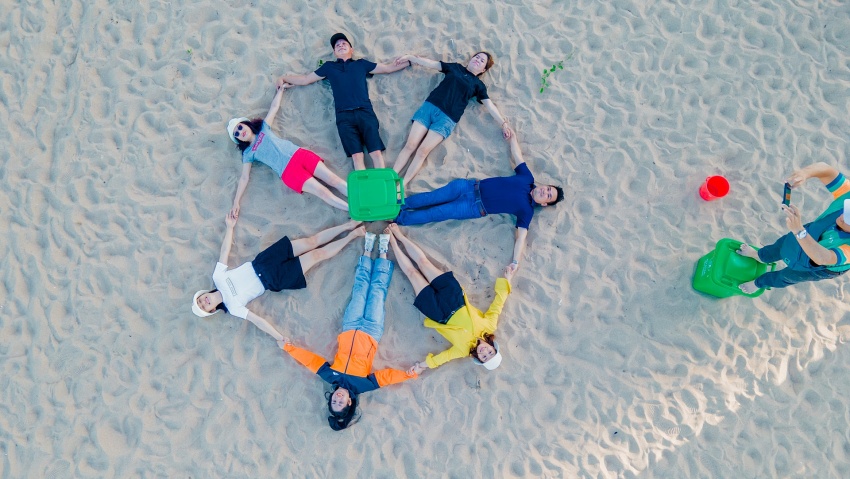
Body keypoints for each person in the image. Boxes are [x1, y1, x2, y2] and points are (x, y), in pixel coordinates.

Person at [277, 229, 417, 431]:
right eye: (341, 402)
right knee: (377, 292)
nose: (338, 398)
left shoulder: (330, 376)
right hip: (371, 331)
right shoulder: (362, 386)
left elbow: (311, 361)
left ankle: (367, 250)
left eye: (334, 401)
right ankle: (383, 251)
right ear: (349, 402)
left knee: (360, 290)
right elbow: (385, 378)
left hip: (350, 326)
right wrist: (408, 375)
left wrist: (289, 348)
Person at [395, 127, 564, 272]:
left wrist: (515, 262)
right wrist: (512, 138)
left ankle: (399, 218)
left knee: (436, 213)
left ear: (544, 203)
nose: (545, 191)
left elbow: (521, 238)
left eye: (548, 196)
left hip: (472, 207)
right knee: (432, 197)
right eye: (548, 189)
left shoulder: (527, 211)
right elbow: (517, 156)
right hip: (468, 186)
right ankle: (399, 204)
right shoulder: (527, 178)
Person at [192, 212, 364, 340]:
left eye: (200, 300)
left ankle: (348, 226)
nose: (203, 302)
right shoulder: (233, 307)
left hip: (265, 261)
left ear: (203, 293)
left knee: (311, 242)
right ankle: (352, 236)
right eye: (204, 307)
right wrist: (279, 337)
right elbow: (258, 321)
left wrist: (230, 227)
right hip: (275, 279)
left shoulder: (218, 277)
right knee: (317, 255)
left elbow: (224, 251)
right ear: (212, 310)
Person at [385, 224, 514, 373]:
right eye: (490, 352)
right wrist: (508, 280)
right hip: (455, 297)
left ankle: (393, 242)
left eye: (484, 357)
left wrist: (421, 366)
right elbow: (498, 305)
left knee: (412, 273)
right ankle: (399, 236)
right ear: (493, 346)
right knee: (423, 262)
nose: (485, 352)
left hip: (438, 312)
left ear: (478, 359)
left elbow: (443, 357)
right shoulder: (490, 326)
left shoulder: (463, 350)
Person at [276, 33, 410, 170]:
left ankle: (381, 182)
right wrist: (283, 78)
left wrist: (410, 61)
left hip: (365, 112)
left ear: (351, 49)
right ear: (334, 52)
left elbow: (388, 68)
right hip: (344, 117)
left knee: (375, 153)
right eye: (337, 45)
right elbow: (305, 79)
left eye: (344, 43)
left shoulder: (361, 64)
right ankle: (362, 184)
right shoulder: (329, 67)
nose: (340, 45)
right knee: (357, 156)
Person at [391, 52, 512, 186]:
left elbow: (490, 106)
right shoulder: (456, 68)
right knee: (410, 145)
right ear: (471, 59)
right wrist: (410, 57)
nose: (478, 60)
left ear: (483, 70)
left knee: (422, 152)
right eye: (477, 57)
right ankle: (391, 178)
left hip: (446, 119)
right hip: (429, 108)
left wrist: (503, 124)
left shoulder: (478, 85)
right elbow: (431, 64)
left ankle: (402, 185)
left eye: (482, 61)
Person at [228, 84, 349, 214]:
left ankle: (362, 196)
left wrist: (280, 91)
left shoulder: (263, 127)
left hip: (300, 155)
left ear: (246, 124)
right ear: (238, 139)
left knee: (333, 179)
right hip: (289, 172)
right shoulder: (248, 153)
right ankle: (354, 210)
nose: (240, 132)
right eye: (236, 134)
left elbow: (274, 108)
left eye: (240, 127)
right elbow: (244, 178)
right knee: (322, 192)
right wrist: (236, 202)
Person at [736, 162, 850, 293]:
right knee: (782, 245)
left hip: (820, 266)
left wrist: (799, 231)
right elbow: (826, 170)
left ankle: (759, 283)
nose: (843, 215)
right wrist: (804, 174)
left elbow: (823, 258)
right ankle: (759, 256)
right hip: (812, 232)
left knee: (787, 276)